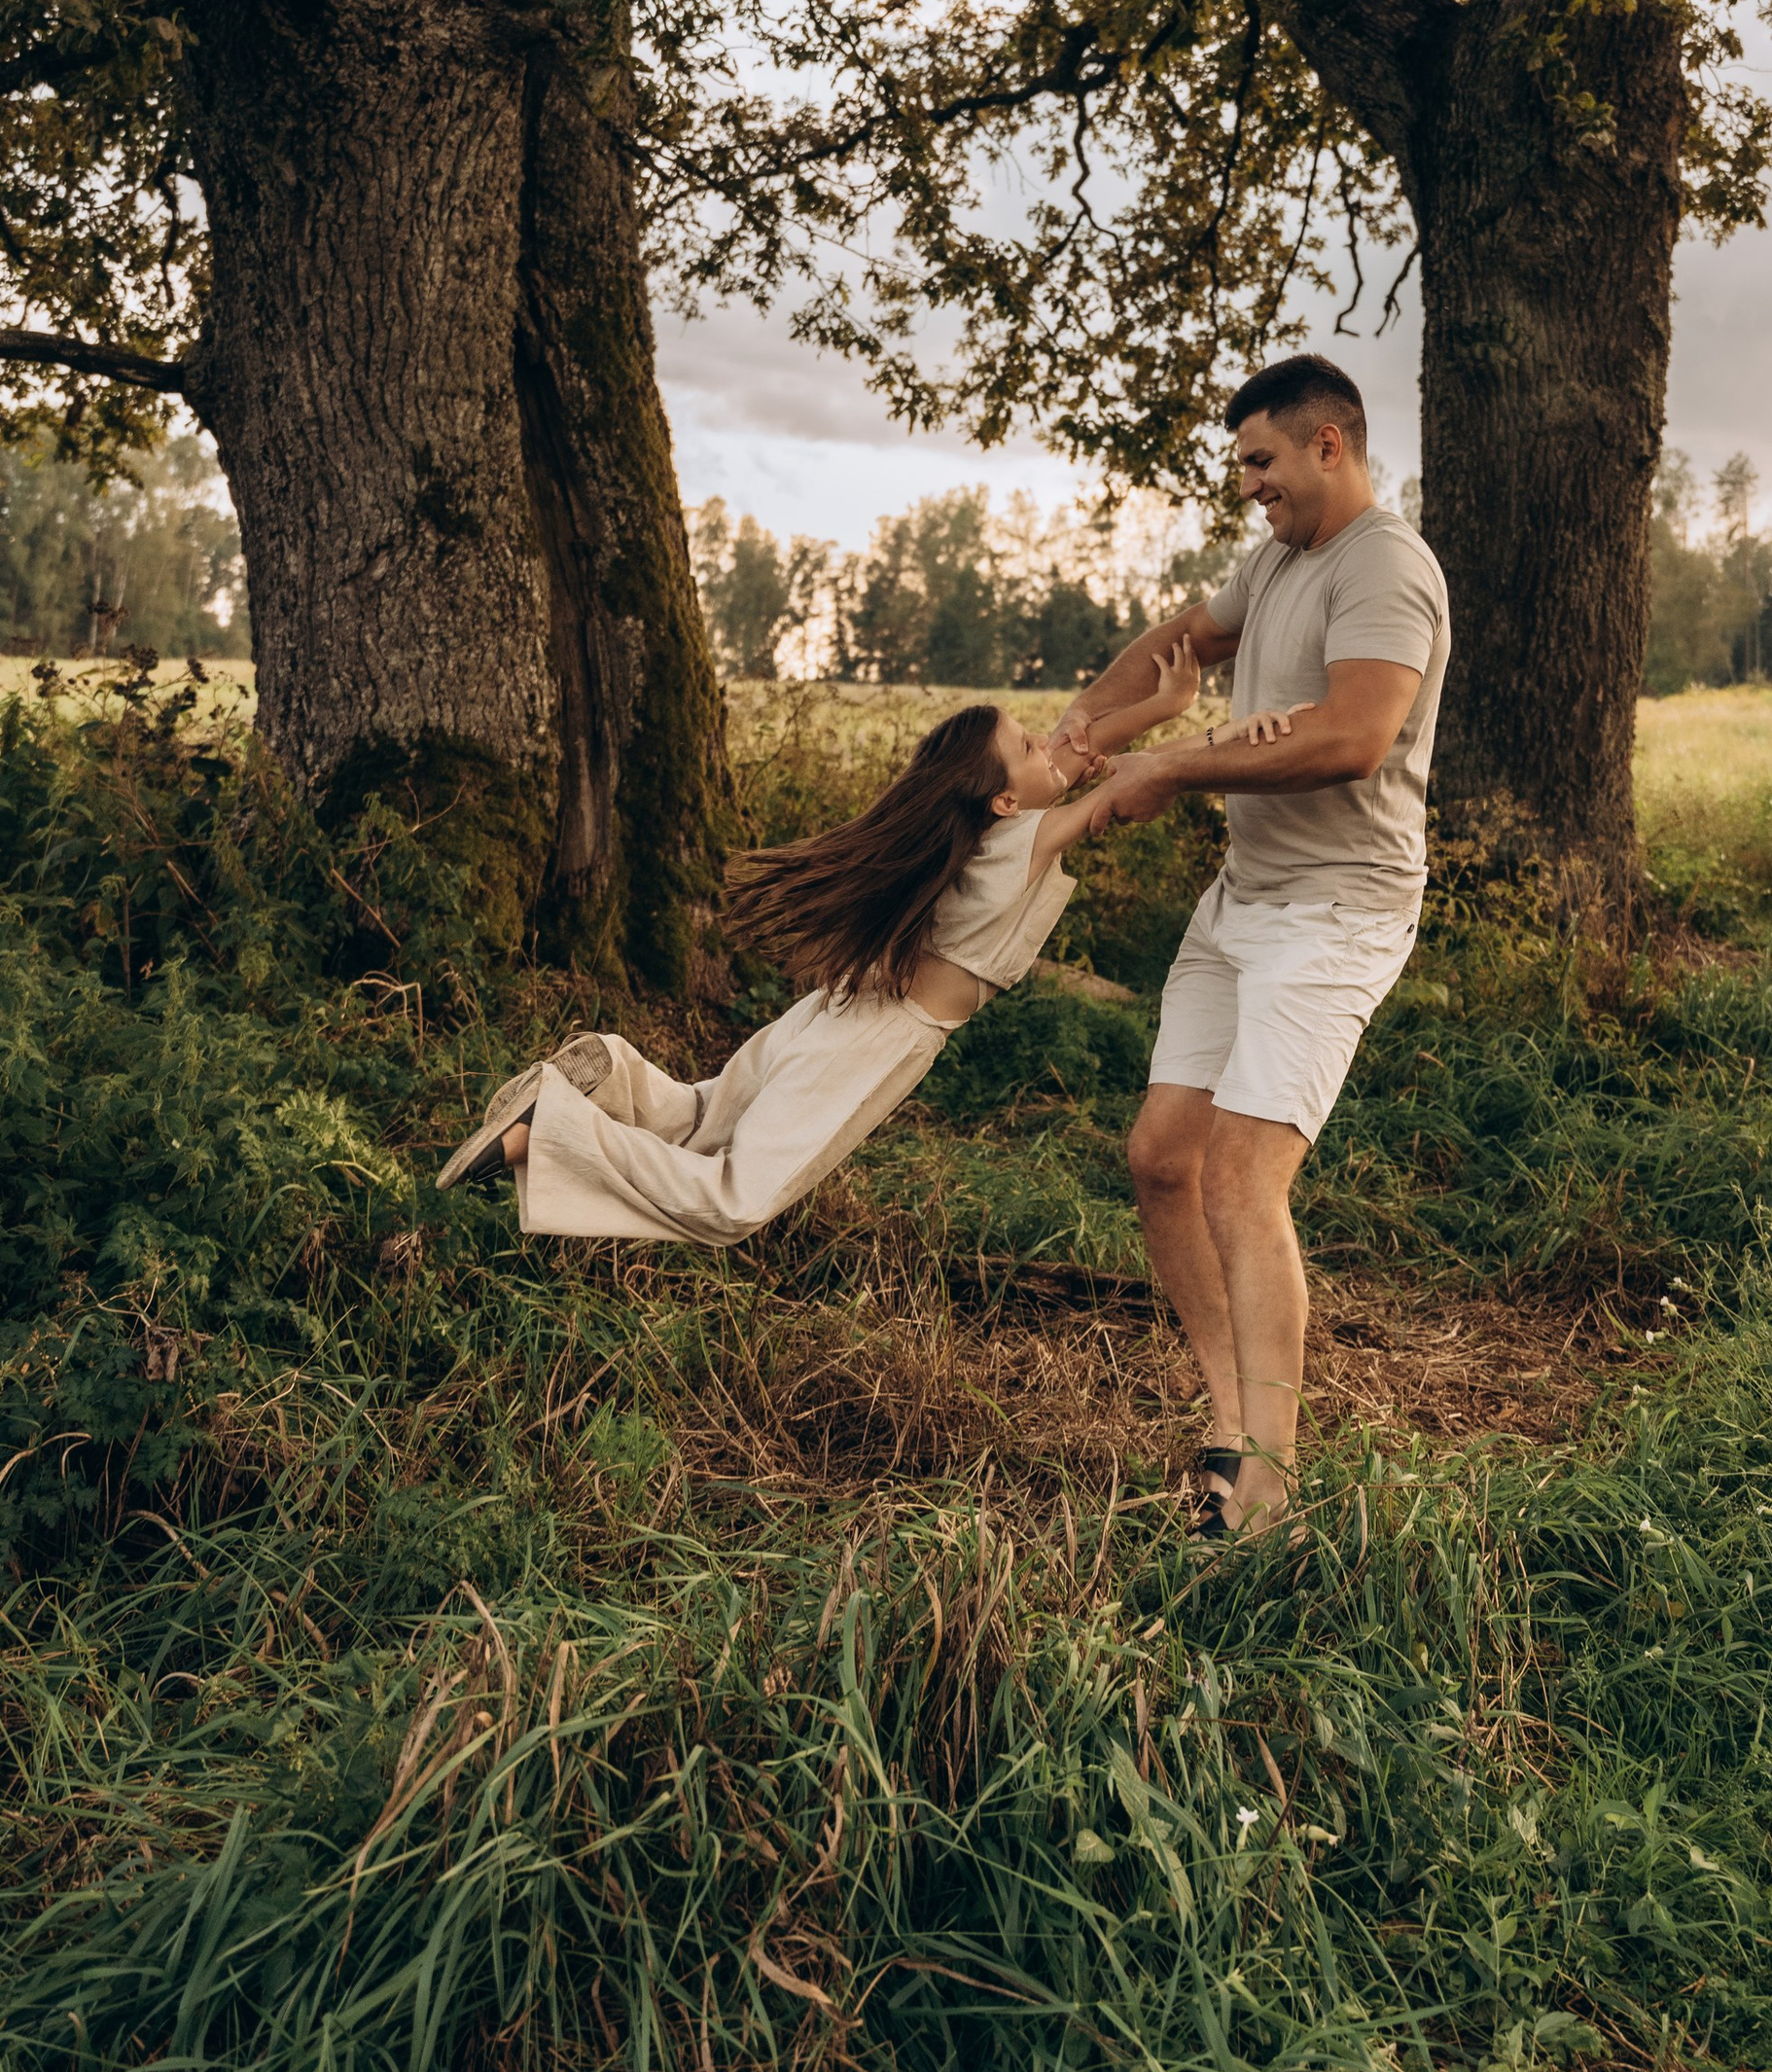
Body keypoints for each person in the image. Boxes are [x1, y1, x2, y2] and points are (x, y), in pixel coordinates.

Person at [436, 648, 1293, 1250]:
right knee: (737, 1198)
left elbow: (1082, 753)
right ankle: (547, 1131)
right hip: (878, 1039)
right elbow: (1127, 776)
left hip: (838, 1011)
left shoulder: (994, 828)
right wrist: (1213, 738)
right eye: (1028, 747)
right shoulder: (1022, 841)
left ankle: (610, 1075)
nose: (1053, 746)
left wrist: (1163, 705)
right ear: (999, 799)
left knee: (702, 1118)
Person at [1044, 354, 1449, 1543]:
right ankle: (1230, 1424)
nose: (1249, 489)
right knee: (1162, 1158)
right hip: (1244, 898)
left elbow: (1352, 738)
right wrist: (1071, 739)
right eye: (1241, 469)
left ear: (1331, 443)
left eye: (1261, 462)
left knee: (1238, 1175)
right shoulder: (1275, 558)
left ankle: (1267, 1490)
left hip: (1337, 910)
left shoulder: (1385, 567)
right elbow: (1182, 642)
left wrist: (1172, 764)